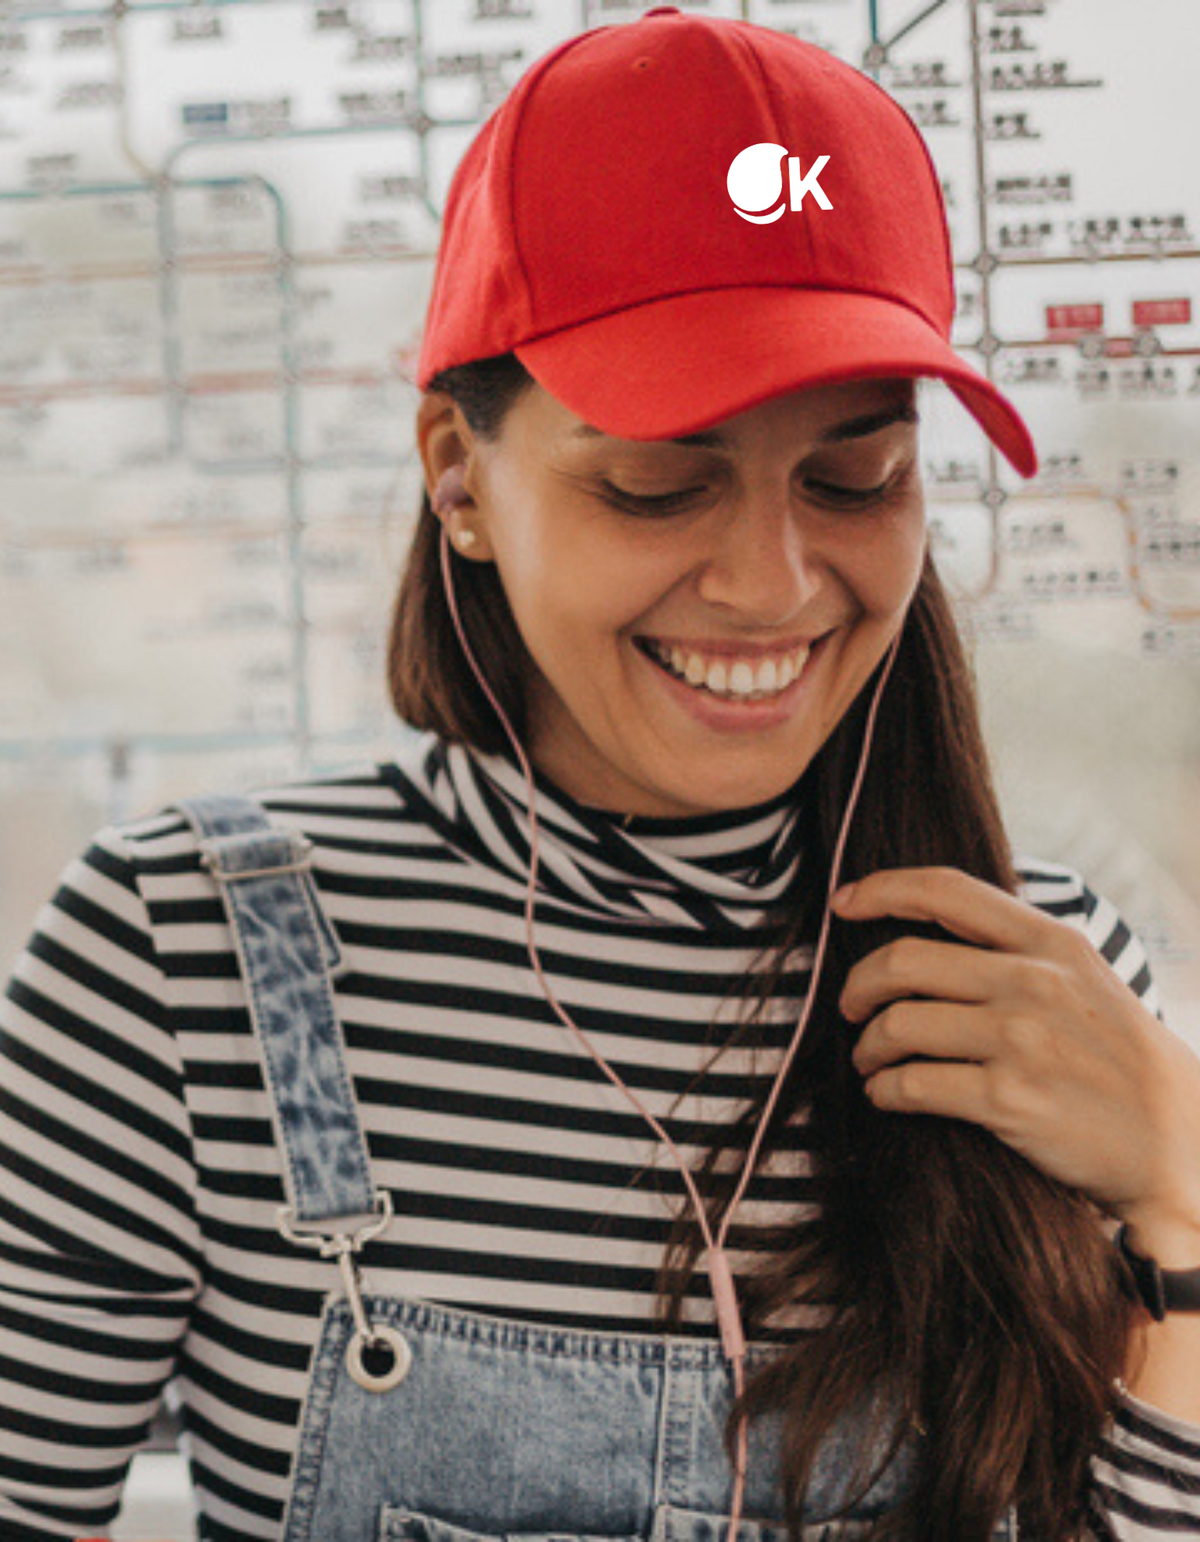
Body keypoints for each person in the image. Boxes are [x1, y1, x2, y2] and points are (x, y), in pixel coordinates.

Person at [1, 9, 1199, 1541]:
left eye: (858, 474)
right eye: (658, 480)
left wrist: (1185, 1184)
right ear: (461, 475)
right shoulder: (178, 963)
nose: (774, 585)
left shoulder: (1042, 985)